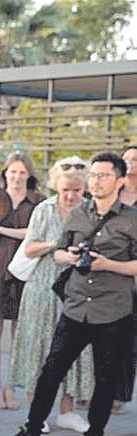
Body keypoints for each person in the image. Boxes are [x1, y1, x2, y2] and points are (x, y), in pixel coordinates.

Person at [1, 152, 137, 436]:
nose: (96, 181)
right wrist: (72, 256)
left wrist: (108, 265)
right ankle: (31, 431)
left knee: (104, 378)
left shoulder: (132, 220)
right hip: (75, 307)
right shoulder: (78, 215)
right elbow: (59, 253)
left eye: (103, 176)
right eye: (94, 175)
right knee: (51, 371)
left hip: (112, 310)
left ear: (119, 181)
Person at [8, 158, 92, 433]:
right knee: (39, 349)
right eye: (65, 189)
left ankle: (67, 411)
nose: (69, 196)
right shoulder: (44, 209)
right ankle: (37, 411)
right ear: (56, 185)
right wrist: (56, 245)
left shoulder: (91, 211)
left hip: (76, 291)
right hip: (42, 289)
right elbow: (29, 248)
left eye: (76, 190)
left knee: (72, 350)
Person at [0, 151, 45, 410]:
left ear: (29, 175)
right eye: (12, 171)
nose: (17, 177)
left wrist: (1, 229)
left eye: (22, 172)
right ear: (5, 173)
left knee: (18, 333)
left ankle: (12, 387)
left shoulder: (38, 202)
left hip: (24, 269)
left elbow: (34, 233)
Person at [112, 145, 137, 415]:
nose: (130, 163)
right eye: (127, 158)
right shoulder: (111, 195)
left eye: (135, 159)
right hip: (110, 275)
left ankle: (121, 391)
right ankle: (110, 390)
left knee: (130, 338)